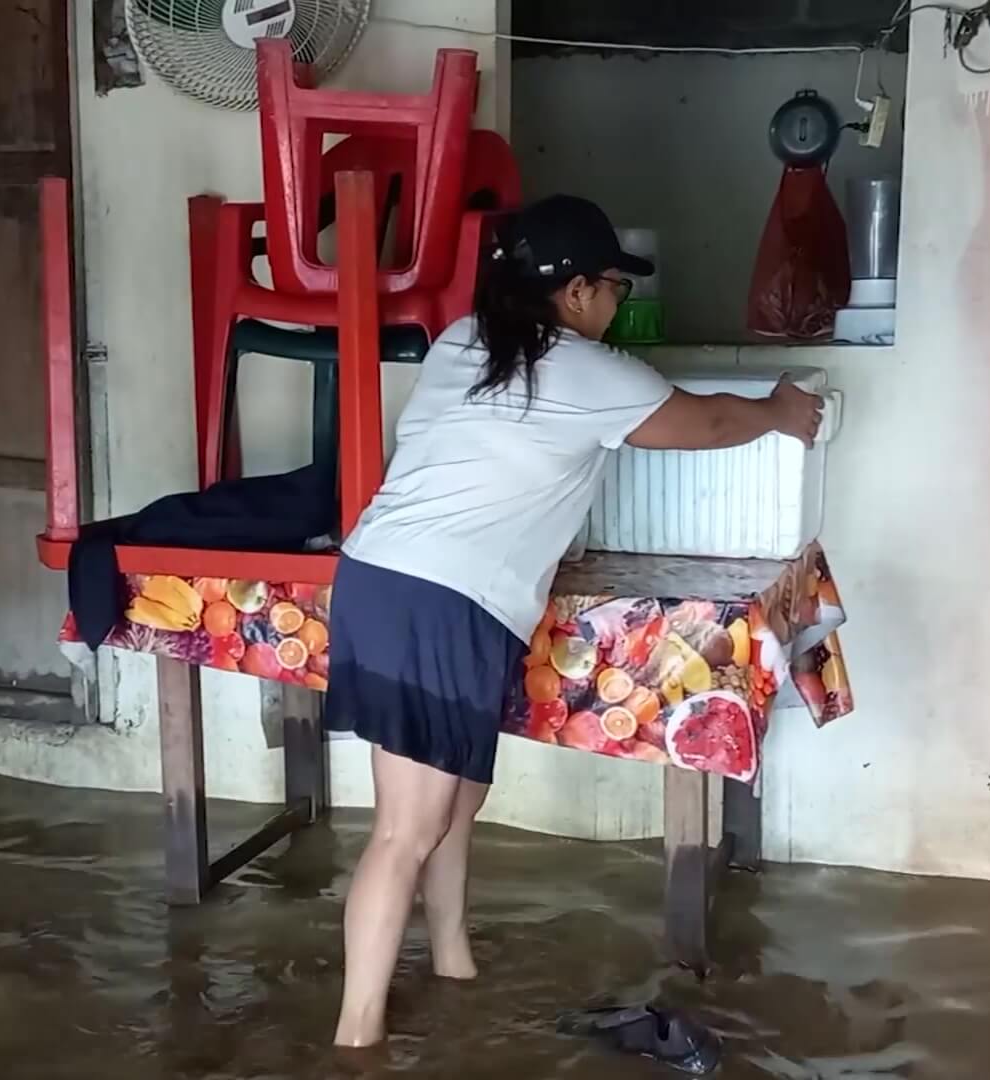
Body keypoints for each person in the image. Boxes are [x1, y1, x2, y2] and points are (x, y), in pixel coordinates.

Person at [324, 195, 824, 1048]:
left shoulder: (460, 344)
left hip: (377, 580)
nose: (620, 303)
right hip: (440, 600)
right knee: (407, 828)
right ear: (580, 291)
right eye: (616, 287)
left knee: (456, 797)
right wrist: (781, 412)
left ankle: (453, 964)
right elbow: (702, 421)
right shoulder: (587, 371)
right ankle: (354, 1040)